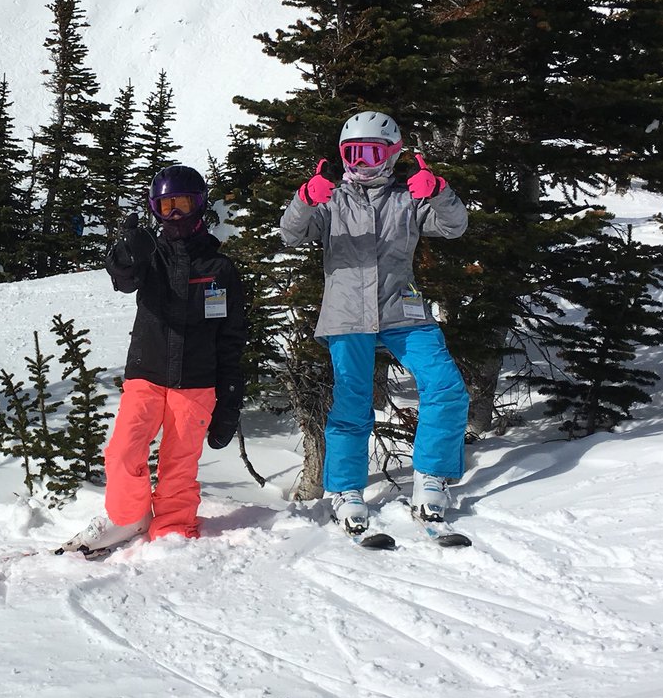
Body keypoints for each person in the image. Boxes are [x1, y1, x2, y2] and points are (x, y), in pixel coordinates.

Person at [279, 111, 470, 535]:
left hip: (403, 309)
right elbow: (290, 234)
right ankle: (346, 490)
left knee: (446, 387)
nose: (361, 163)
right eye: (352, 153)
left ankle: (432, 477)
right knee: (352, 401)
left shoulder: (408, 197)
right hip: (348, 313)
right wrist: (306, 198)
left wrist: (439, 192)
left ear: (392, 153)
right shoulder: (332, 199)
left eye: (371, 153)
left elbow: (455, 227)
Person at [60, 165, 247, 555]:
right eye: (166, 206)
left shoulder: (219, 269)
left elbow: (231, 337)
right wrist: (126, 252)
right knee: (124, 450)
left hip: (197, 381)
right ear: (154, 210)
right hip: (147, 373)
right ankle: (128, 517)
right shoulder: (150, 255)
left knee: (179, 464)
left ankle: (173, 531)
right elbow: (123, 278)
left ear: (200, 206)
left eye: (183, 204)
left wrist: (229, 400)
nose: (175, 214)